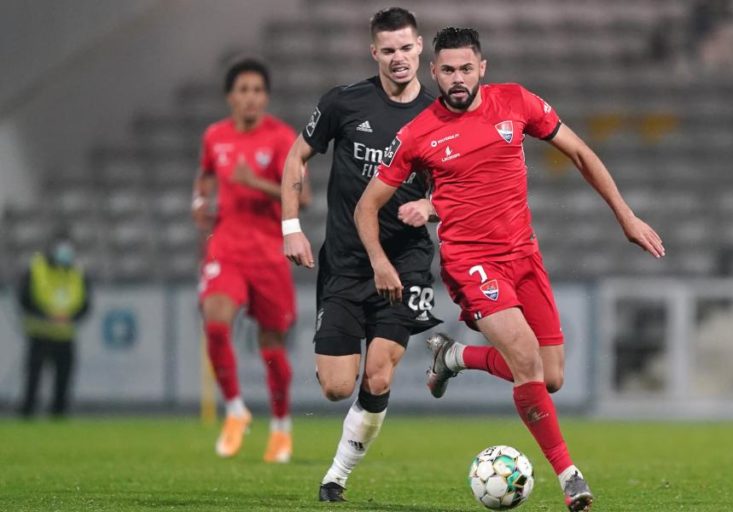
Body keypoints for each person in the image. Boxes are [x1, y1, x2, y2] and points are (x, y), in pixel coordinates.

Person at [356, 27, 666, 512]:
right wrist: (379, 261)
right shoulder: (418, 133)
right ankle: (570, 477)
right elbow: (366, 206)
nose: (457, 79)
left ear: (482, 68)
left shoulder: (517, 103)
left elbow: (581, 153)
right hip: (470, 263)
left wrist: (625, 217)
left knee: (551, 376)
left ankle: (454, 358)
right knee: (525, 360)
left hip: (524, 256)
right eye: (447, 70)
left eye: (465, 68)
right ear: (433, 72)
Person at [281, 7, 441, 502]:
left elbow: (459, 189)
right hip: (346, 265)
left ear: (420, 49)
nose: (398, 58)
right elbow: (295, 156)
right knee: (335, 386)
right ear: (374, 52)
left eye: (406, 48)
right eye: (388, 50)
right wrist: (290, 227)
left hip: (406, 261)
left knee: (379, 372)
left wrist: (430, 206)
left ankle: (336, 476)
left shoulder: (439, 118)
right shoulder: (343, 103)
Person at [192, 58, 309, 462]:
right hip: (225, 247)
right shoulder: (215, 136)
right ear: (230, 96)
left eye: (257, 90)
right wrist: (199, 201)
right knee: (216, 322)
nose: (250, 98)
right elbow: (205, 175)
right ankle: (236, 409)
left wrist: (254, 182)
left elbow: (305, 198)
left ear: (266, 96)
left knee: (272, 346)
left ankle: (280, 427)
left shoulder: (280, 138)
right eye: (243, 90)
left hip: (268, 253)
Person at [17, 228, 90, 418]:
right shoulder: (37, 268)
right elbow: (25, 299)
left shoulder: (77, 271)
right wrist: (46, 315)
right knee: (33, 380)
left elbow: (86, 304)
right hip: (39, 333)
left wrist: (70, 318)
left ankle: (59, 415)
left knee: (63, 382)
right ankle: (28, 414)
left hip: (65, 335)